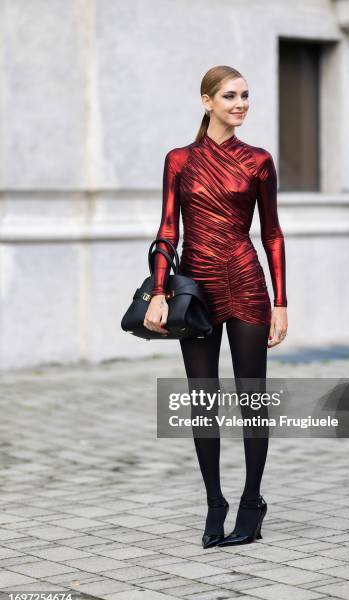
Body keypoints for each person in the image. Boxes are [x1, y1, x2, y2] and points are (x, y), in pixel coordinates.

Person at [144, 65, 288, 547]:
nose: (241, 103)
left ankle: (251, 502)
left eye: (246, 95)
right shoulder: (179, 159)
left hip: (247, 284)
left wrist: (281, 303)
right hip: (196, 292)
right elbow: (168, 231)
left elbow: (271, 233)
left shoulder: (260, 160)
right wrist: (160, 291)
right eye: (230, 96)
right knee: (202, 401)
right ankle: (215, 503)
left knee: (252, 398)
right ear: (207, 101)